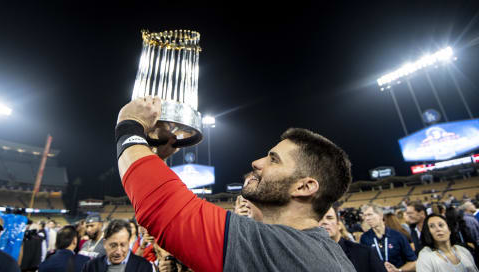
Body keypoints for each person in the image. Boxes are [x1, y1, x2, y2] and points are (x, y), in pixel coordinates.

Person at [116, 97, 356, 272]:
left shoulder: (284, 248)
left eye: (274, 160)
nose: (256, 162)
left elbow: (161, 205)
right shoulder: (317, 252)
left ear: (304, 187)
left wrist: (130, 125)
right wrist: (155, 159)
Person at [319, 206, 386, 272]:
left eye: (329, 218)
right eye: (319, 219)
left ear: (339, 225)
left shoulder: (364, 253)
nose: (324, 222)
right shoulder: (310, 256)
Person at [360, 204, 417, 272]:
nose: (367, 218)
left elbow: (413, 262)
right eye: (365, 216)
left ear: (380, 215)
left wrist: (398, 270)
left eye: (370, 214)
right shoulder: (364, 238)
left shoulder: (397, 236)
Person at [81, 219, 152, 272]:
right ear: (104, 243)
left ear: (129, 242)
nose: (118, 252)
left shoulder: (143, 267)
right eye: (113, 245)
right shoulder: (91, 267)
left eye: (123, 245)